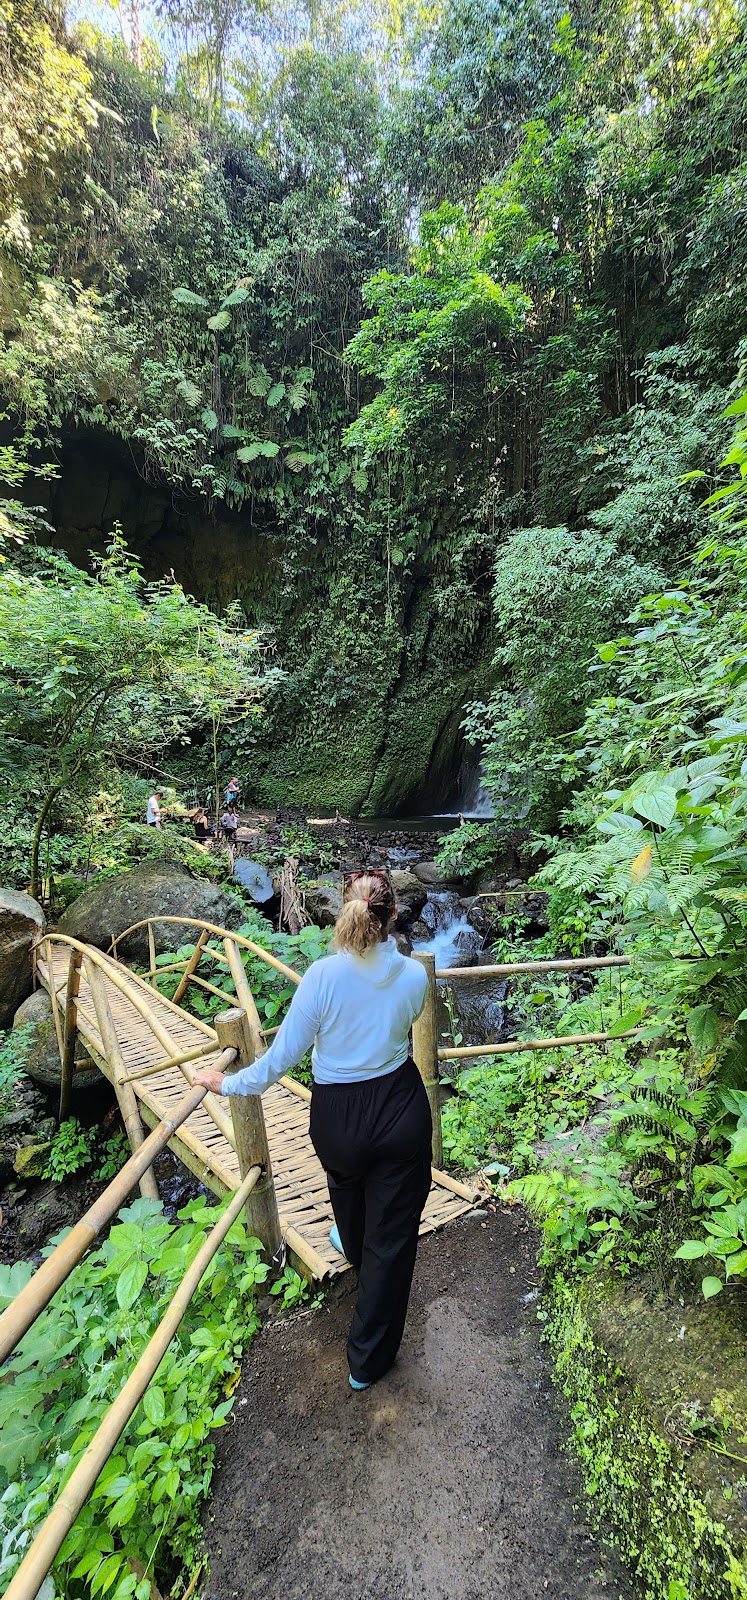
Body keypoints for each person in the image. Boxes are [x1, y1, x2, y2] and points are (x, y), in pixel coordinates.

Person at [194, 869, 431, 1392]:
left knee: (346, 1187)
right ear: (393, 916)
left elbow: (279, 1061)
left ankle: (352, 1242)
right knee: (391, 1236)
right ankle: (366, 1361)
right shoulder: (414, 976)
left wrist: (225, 1083)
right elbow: (404, 1022)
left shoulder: (322, 977)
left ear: (344, 911)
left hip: (337, 1115)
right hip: (399, 1106)